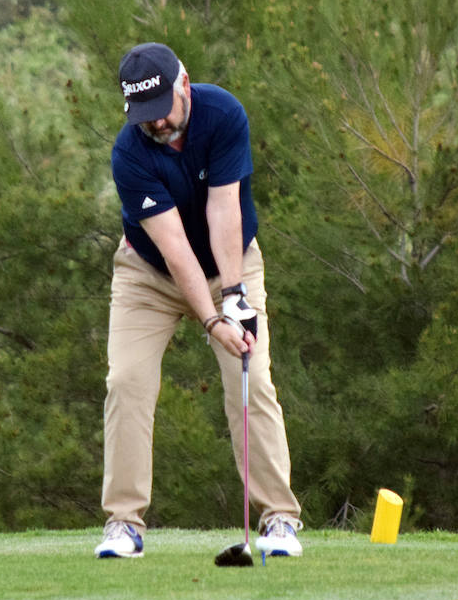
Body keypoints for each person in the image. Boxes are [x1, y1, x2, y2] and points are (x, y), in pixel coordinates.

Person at [94, 41, 303, 559]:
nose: (157, 124)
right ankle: (124, 524)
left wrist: (232, 298)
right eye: (144, 116)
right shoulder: (128, 153)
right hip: (149, 275)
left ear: (183, 85)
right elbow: (175, 250)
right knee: (127, 381)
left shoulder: (223, 113)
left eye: (162, 110)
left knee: (250, 380)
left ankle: (280, 520)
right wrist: (213, 322)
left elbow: (224, 210)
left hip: (229, 263)